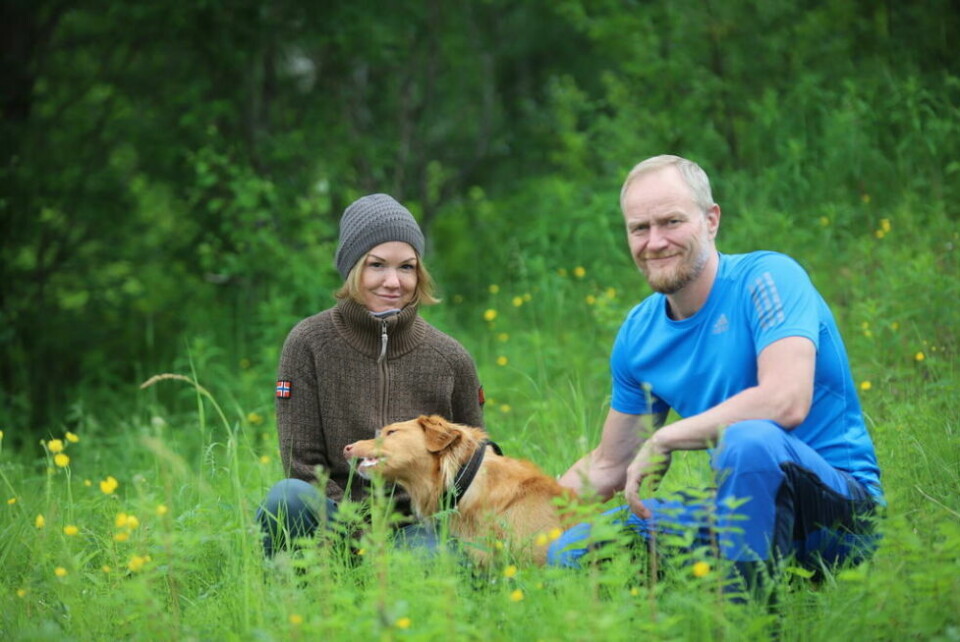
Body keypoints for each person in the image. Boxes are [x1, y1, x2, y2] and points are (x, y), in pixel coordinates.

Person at [551, 155, 883, 595]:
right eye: (639, 228)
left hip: (839, 514)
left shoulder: (768, 278)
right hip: (740, 514)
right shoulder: (639, 333)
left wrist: (667, 437)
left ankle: (750, 621)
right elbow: (612, 463)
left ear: (711, 220)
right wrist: (516, 519)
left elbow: (785, 400)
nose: (655, 242)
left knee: (749, 440)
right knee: (570, 552)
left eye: (671, 221)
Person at [258, 193, 485, 556]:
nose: (393, 282)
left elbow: (472, 465)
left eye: (407, 267)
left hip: (415, 529)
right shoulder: (308, 343)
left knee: (440, 560)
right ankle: (295, 599)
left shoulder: (450, 357)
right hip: (334, 518)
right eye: (376, 265)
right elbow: (302, 465)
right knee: (288, 498)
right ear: (353, 268)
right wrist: (357, 532)